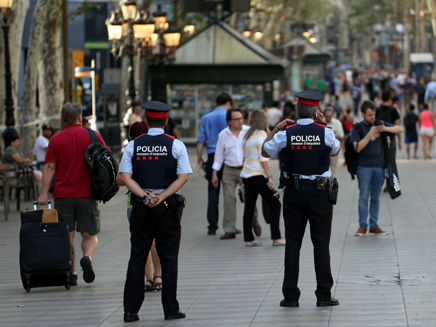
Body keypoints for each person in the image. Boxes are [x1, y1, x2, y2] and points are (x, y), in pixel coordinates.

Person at [261, 90, 341, 308]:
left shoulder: (285, 132)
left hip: (294, 193)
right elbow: (335, 150)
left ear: (296, 111)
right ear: (316, 111)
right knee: (321, 243)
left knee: (293, 244)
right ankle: (324, 294)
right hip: (319, 193)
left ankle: (290, 296)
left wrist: (277, 127)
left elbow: (265, 152)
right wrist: (321, 126)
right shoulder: (325, 132)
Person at [120, 101, 192, 322]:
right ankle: (170, 308)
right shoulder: (176, 145)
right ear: (166, 121)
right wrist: (162, 196)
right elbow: (183, 177)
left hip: (141, 207)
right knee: (169, 257)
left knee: (138, 256)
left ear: (145, 121)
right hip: (167, 207)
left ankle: (131, 310)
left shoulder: (133, 145)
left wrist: (144, 196)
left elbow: (125, 176)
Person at [37, 103, 109, 286]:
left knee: (66, 236)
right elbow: (106, 158)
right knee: (90, 234)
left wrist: (43, 194)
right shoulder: (92, 135)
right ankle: (87, 258)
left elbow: (50, 167)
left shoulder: (55, 139)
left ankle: (72, 272)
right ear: (79, 117)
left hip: (63, 196)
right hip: (87, 195)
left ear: (62, 120)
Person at [116, 121, 163, 293]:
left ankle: (158, 275)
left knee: (153, 242)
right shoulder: (131, 150)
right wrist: (131, 176)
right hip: (134, 204)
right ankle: (149, 278)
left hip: (156, 200)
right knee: (143, 242)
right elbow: (120, 179)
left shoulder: (156, 149)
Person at [350, 100, 404, 237]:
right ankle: (363, 225)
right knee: (363, 197)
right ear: (362, 114)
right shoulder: (357, 128)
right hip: (364, 168)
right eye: (369, 115)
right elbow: (357, 148)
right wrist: (369, 134)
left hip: (379, 167)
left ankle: (373, 225)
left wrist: (384, 128)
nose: (372, 118)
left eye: (373, 114)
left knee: (375, 198)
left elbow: (400, 129)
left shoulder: (379, 124)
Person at [211, 109, 261, 239]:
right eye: (237, 119)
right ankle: (230, 229)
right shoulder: (223, 135)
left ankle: (254, 222)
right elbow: (219, 155)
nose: (240, 121)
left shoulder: (248, 131)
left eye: (241, 118)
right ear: (229, 122)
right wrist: (215, 173)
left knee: (248, 197)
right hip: (229, 170)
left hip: (246, 169)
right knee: (228, 199)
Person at [241, 110, 285, 247]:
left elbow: (243, 158)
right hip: (258, 176)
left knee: (249, 207)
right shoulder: (262, 135)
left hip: (247, 175)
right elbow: (263, 159)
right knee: (275, 204)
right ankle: (276, 237)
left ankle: (248, 238)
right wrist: (269, 177)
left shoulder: (246, 136)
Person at [197, 92, 233, 235]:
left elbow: (200, 141)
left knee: (213, 193)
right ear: (228, 103)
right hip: (228, 157)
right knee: (229, 192)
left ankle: (212, 226)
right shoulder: (230, 117)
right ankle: (230, 225)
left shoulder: (206, 118)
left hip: (212, 157)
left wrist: (199, 159)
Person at [376, 90, 401, 156]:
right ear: (390, 98)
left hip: (379, 138)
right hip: (390, 138)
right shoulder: (393, 110)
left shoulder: (377, 110)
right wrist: (399, 141)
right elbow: (397, 125)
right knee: (391, 160)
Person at [324, 106, 344, 179]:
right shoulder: (321, 121)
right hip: (322, 150)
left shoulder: (337, 123)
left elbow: (341, 136)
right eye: (327, 117)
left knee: (332, 172)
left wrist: (330, 138)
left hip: (333, 151)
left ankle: (332, 185)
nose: (328, 119)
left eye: (330, 117)